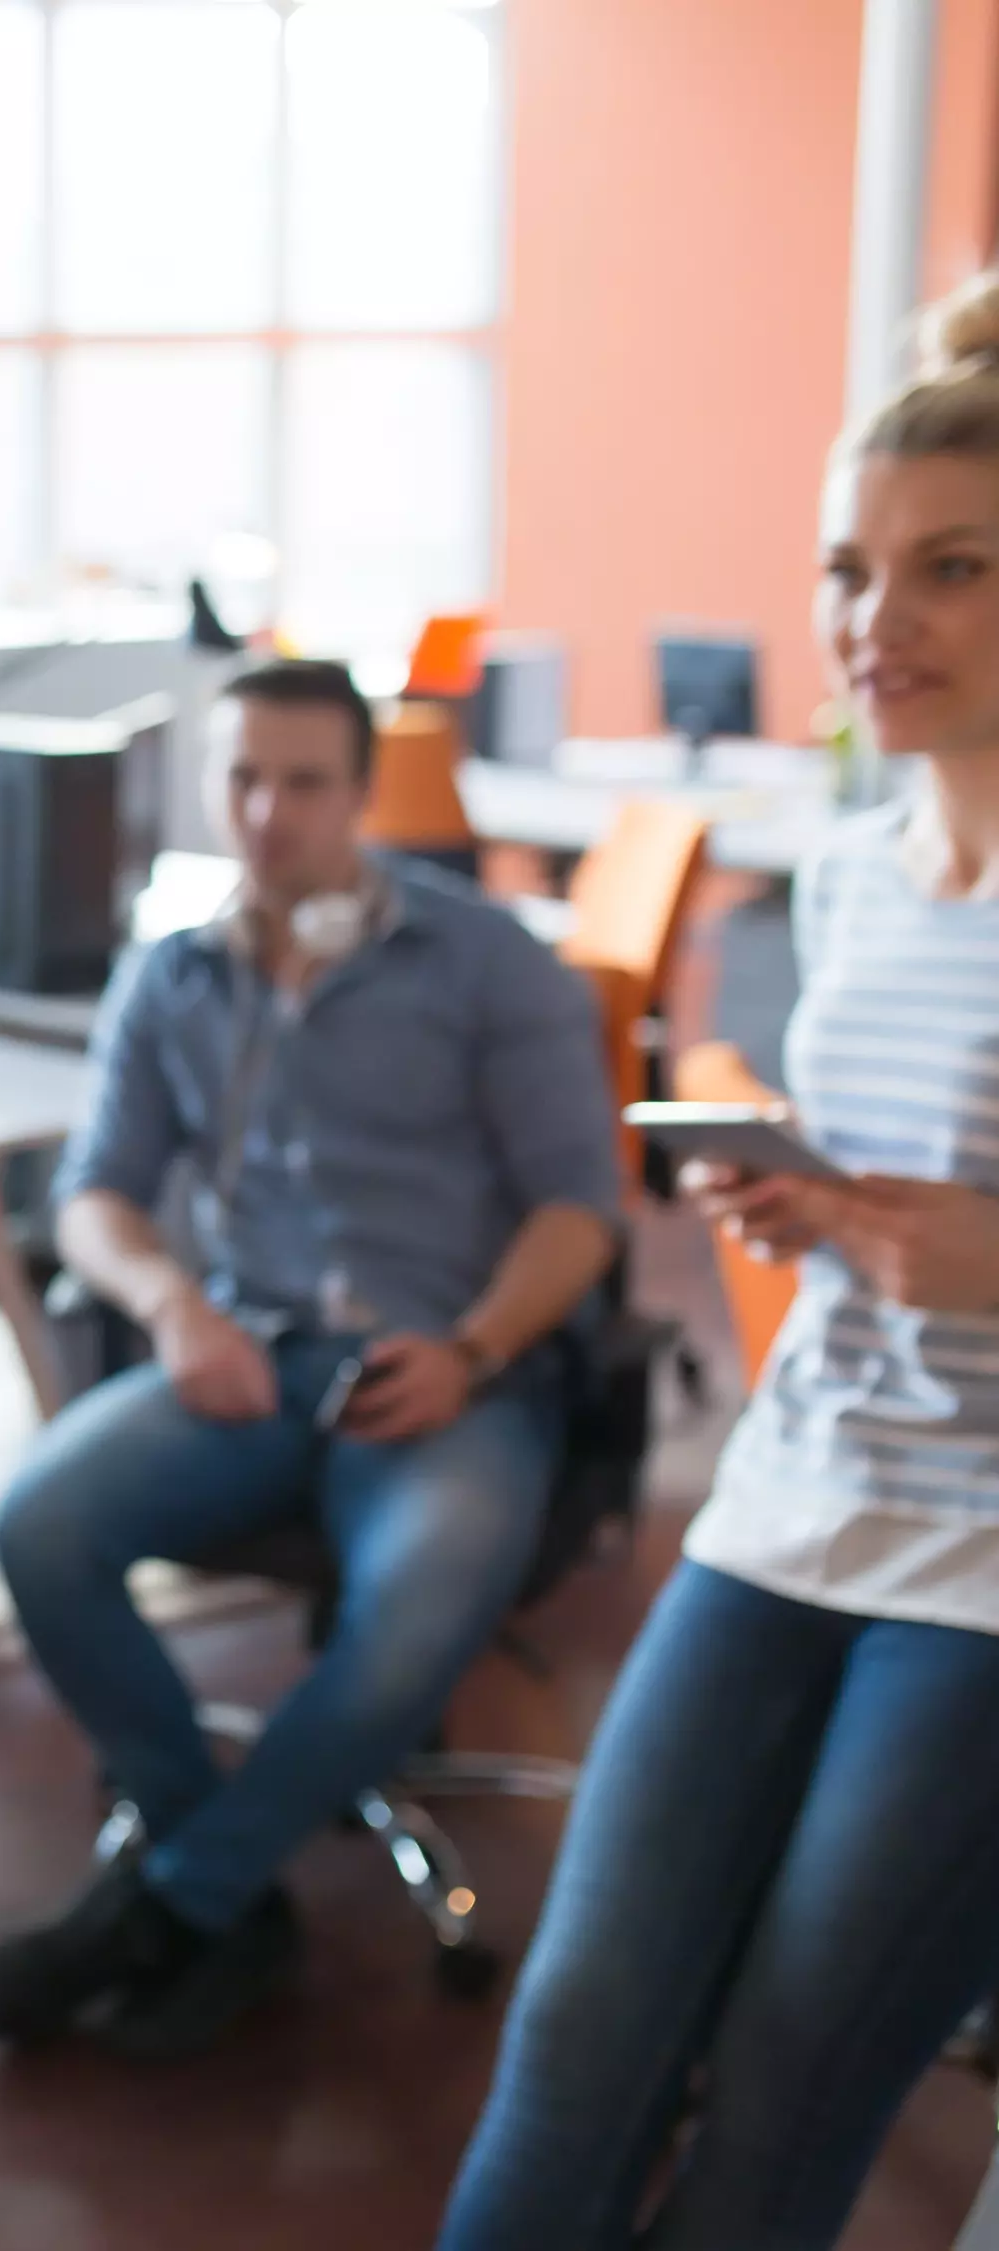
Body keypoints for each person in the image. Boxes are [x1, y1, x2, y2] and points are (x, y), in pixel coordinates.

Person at [440, 273, 999, 2249]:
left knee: (777, 2111)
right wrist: (814, 1203)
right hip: (789, 1504)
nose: (877, 619)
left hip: (985, 1586)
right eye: (852, 568)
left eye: (949, 568)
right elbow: (907, 1183)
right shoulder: (850, 871)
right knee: (575, 2044)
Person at [0, 658, 620, 2061]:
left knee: (415, 1598)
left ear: (363, 791)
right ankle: (217, 1862)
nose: (269, 814)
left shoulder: (484, 961)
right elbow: (95, 1190)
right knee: (39, 1522)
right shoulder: (181, 971)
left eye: (305, 782)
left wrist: (475, 1344)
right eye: (243, 779)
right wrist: (170, 1304)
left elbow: (584, 1205)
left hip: (450, 1367)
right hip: (248, 1353)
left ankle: (179, 1897)